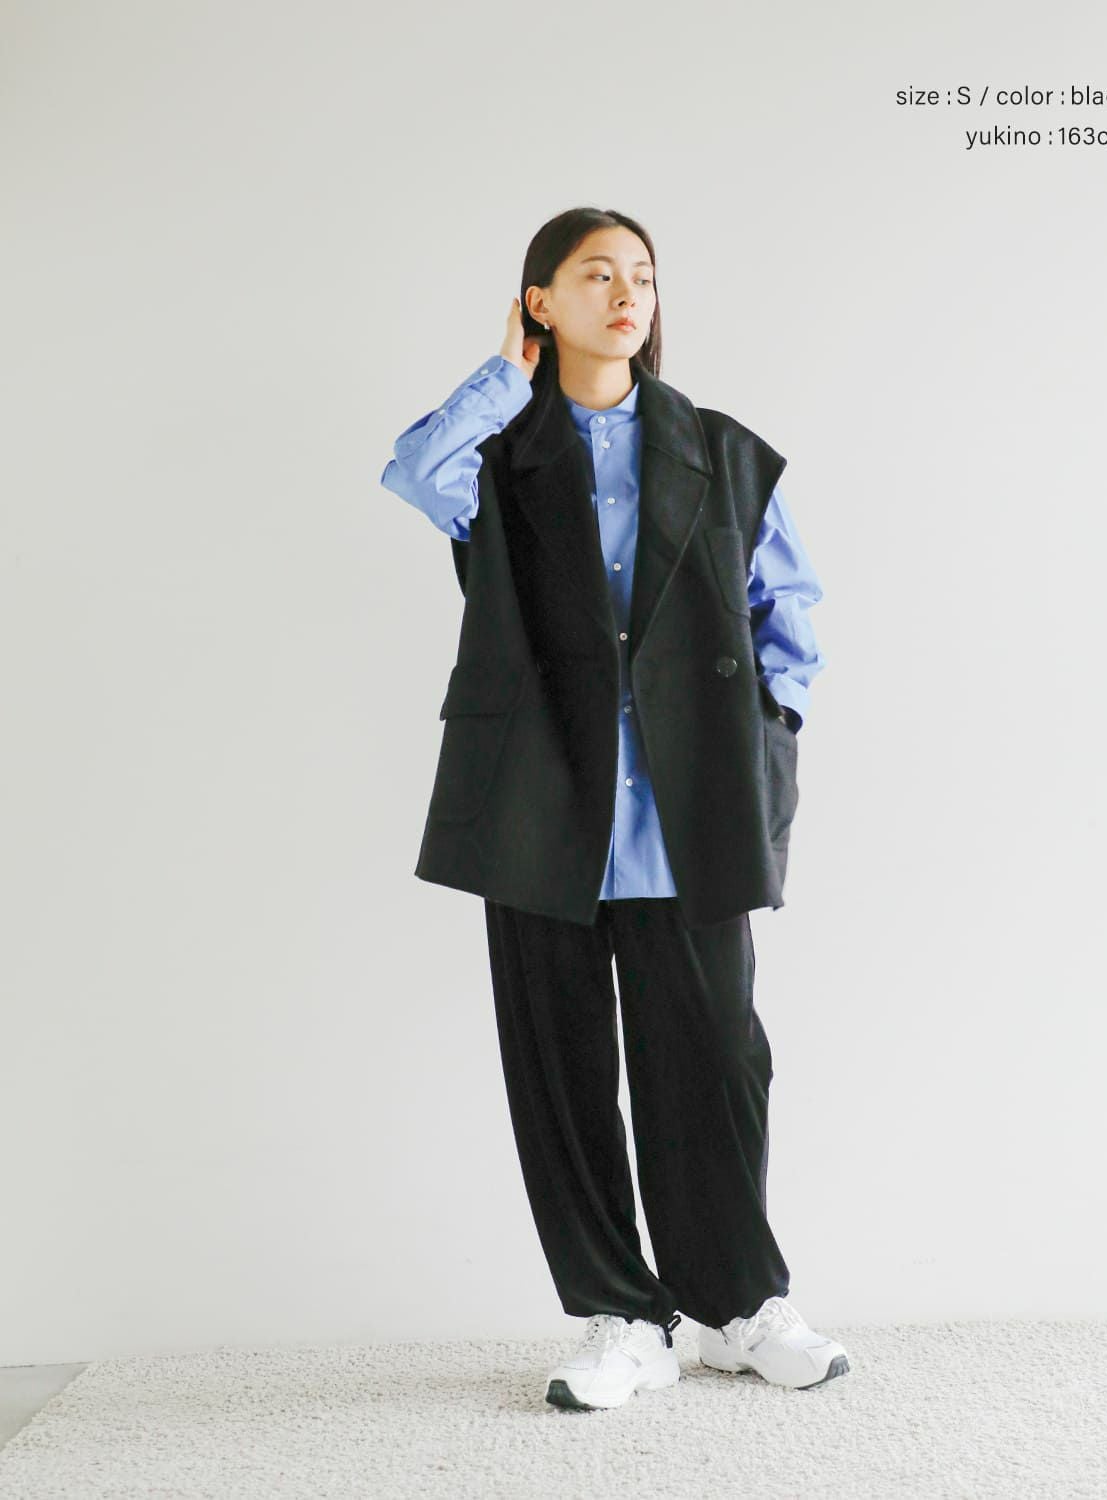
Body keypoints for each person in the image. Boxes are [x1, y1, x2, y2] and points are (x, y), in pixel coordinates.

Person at [380, 206, 849, 1411]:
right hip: (539, 807)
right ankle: (620, 1319)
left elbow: (789, 613)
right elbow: (414, 472)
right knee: (563, 1071)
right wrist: (506, 376)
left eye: (641, 273)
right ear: (540, 300)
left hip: (691, 809)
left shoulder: (721, 450)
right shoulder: (502, 454)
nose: (626, 292)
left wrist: (772, 733)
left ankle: (737, 1306)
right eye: (595, 274)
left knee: (718, 1061)